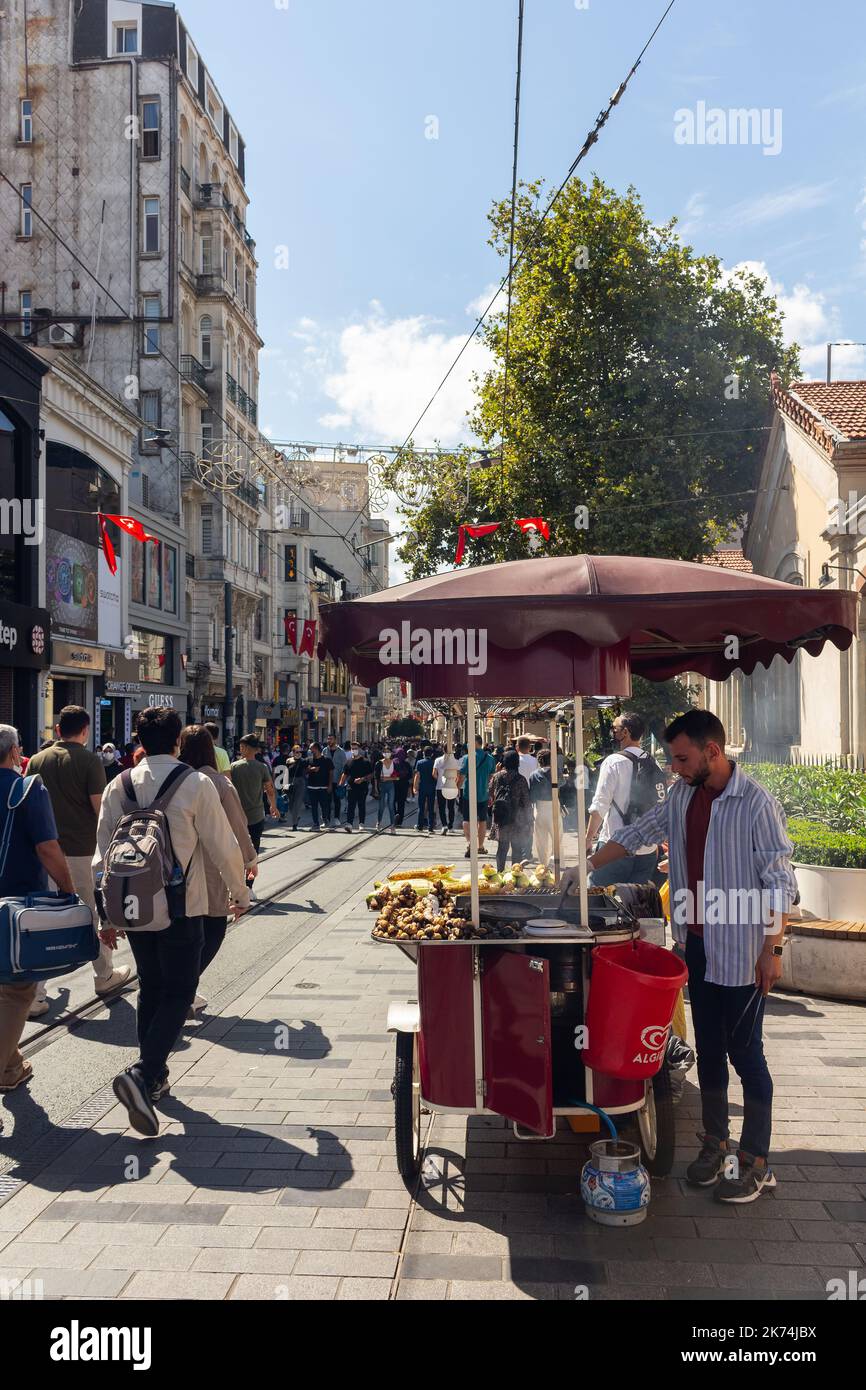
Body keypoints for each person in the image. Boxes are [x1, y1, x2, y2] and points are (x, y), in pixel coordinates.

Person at [561, 709, 796, 1205]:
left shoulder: (755, 803)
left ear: (713, 751)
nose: (675, 767)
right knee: (709, 1051)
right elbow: (634, 834)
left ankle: (756, 1161)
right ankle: (715, 1144)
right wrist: (583, 865)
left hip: (743, 951)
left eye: (682, 758)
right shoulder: (682, 795)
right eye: (672, 759)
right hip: (697, 947)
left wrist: (772, 949)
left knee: (746, 1056)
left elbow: (779, 882)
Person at [95, 706, 250, 1135]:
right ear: (178, 741)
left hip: (134, 907)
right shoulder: (195, 783)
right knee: (181, 990)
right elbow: (223, 845)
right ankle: (144, 1073)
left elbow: (102, 855)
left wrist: (105, 914)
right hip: (183, 906)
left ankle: (156, 1079)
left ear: (139, 741)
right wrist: (241, 894)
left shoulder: (118, 785)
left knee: (152, 985)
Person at [26, 706, 130, 1018]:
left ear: (58, 730)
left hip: (44, 852)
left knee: (42, 917)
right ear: (85, 731)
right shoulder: (89, 761)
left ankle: (35, 995)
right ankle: (104, 974)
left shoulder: (35, 760)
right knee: (90, 914)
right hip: (83, 852)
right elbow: (100, 810)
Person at [0, 725, 75, 1110]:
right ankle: (4, 1067)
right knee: (15, 991)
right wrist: (68, 889)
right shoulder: (27, 789)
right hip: (14, 907)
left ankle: (11, 1066)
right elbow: (47, 847)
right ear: (15, 752)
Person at [178, 725, 257, 1013]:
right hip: (213, 866)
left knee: (187, 931)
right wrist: (249, 860)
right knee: (212, 930)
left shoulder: (177, 780)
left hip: (176, 867)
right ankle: (184, 989)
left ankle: (184, 988)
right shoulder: (219, 783)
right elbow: (238, 826)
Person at [585, 712, 662, 886]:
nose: (613, 732)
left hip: (616, 847)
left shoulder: (614, 762)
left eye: (615, 728)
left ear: (625, 732)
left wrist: (588, 838)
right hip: (647, 850)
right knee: (635, 903)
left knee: (600, 898)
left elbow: (600, 804)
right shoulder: (653, 762)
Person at [230, 734, 277, 854]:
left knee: (238, 849)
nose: (240, 749)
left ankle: (240, 871)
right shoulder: (262, 767)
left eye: (241, 746)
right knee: (254, 848)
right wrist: (273, 806)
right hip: (256, 815)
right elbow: (270, 790)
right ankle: (250, 871)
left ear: (245, 747)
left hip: (237, 815)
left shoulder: (234, 767)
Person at [489, 750, 534, 873]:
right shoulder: (520, 779)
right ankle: (515, 874)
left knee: (502, 848)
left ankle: (500, 873)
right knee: (517, 848)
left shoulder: (497, 776)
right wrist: (530, 820)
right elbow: (526, 801)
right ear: (517, 763)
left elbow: (490, 792)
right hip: (517, 818)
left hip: (501, 816)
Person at [457, 737, 496, 858]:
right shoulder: (490, 758)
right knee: (482, 820)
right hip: (483, 794)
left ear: (474, 743)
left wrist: (456, 788)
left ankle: (470, 843)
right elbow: (491, 778)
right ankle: (480, 846)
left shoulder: (467, 758)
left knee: (467, 819)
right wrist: (491, 793)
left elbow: (462, 777)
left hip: (468, 793)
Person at [529, 749, 558, 867]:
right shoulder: (556, 772)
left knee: (541, 840)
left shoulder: (534, 775)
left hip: (540, 808)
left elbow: (532, 795)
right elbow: (562, 785)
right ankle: (556, 862)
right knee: (557, 837)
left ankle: (543, 864)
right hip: (554, 806)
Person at [342, 747, 373, 831]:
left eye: (355, 748)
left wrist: (362, 779)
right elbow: (345, 774)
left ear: (359, 750)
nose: (354, 750)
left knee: (361, 805)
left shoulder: (365, 761)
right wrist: (340, 784)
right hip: (351, 787)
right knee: (350, 806)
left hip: (362, 787)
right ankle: (349, 824)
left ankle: (361, 823)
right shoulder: (348, 761)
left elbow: (370, 775)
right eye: (352, 749)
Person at [433, 746, 460, 836]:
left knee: (441, 807)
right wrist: (454, 782)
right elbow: (458, 775)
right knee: (451, 807)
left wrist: (440, 780)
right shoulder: (456, 761)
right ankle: (451, 826)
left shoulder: (438, 760)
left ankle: (444, 825)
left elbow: (434, 774)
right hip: (451, 786)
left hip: (440, 787)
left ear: (443, 750)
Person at [413, 745, 438, 836]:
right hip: (432, 788)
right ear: (431, 754)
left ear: (423, 753)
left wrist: (414, 787)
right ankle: (430, 827)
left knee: (421, 807)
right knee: (431, 808)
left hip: (422, 787)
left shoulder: (419, 762)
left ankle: (420, 825)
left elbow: (417, 776)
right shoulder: (434, 763)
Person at [373, 746, 399, 834]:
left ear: (391, 753)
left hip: (391, 785)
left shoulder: (394, 763)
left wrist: (387, 778)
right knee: (381, 806)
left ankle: (392, 826)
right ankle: (379, 823)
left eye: (388, 751)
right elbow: (376, 777)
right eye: (385, 751)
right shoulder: (379, 763)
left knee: (391, 805)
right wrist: (376, 788)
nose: (386, 753)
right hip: (381, 786)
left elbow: (398, 777)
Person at [326, 734, 348, 828]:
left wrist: (343, 781)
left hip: (337, 780)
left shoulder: (341, 752)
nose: (329, 740)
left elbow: (345, 766)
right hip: (326, 780)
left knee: (336, 800)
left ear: (335, 740)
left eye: (331, 739)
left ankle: (336, 818)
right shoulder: (324, 750)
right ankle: (326, 819)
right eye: (328, 739)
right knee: (326, 801)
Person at [285, 744, 308, 830]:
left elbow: (307, 770)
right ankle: (296, 816)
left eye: (300, 752)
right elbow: (286, 772)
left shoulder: (304, 761)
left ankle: (294, 824)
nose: (299, 753)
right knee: (291, 804)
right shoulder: (288, 761)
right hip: (290, 782)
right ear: (293, 752)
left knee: (297, 803)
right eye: (297, 752)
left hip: (300, 782)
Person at [392, 748, 412, 826]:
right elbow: (410, 775)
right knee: (401, 804)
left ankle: (394, 815)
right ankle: (400, 821)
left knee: (392, 802)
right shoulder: (407, 764)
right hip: (404, 785)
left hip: (394, 785)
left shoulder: (392, 763)